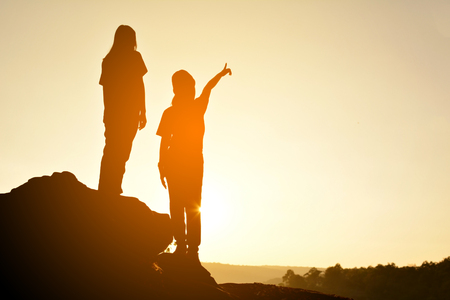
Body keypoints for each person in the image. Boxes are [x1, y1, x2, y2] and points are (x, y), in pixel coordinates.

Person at [157, 64, 232, 262]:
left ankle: (191, 250)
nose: (193, 89)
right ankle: (184, 247)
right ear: (179, 89)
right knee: (182, 206)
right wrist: (160, 164)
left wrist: (220, 74)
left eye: (193, 86)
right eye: (190, 86)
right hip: (181, 162)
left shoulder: (192, 107)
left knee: (189, 206)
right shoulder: (173, 112)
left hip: (189, 163)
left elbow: (208, 87)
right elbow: (164, 141)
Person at [98, 25, 147, 196]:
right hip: (127, 112)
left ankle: (109, 187)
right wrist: (143, 111)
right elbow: (140, 86)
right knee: (120, 150)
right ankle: (109, 188)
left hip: (118, 112)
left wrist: (108, 112)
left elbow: (106, 90)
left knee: (114, 149)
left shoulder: (108, 60)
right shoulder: (132, 57)